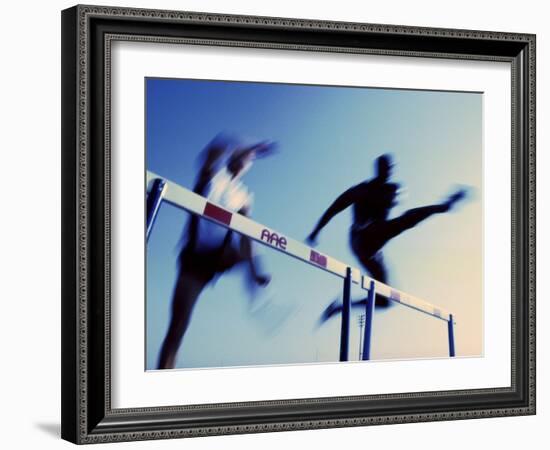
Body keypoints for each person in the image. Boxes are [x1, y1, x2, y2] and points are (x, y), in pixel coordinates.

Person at [157, 135, 276, 369]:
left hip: (221, 256)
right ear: (233, 156)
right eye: (242, 155)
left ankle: (257, 294)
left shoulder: (244, 195)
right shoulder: (214, 175)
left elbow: (246, 234)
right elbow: (216, 146)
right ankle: (163, 377)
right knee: (178, 327)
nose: (245, 161)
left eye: (248, 159)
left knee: (248, 237)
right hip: (194, 259)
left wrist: (256, 270)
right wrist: (250, 146)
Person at [306, 154, 466, 319]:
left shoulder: (392, 189)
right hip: (360, 239)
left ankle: (339, 308)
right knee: (404, 220)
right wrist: (316, 231)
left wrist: (395, 199)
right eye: (386, 169)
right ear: (379, 169)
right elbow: (333, 209)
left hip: (374, 249)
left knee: (386, 300)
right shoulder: (361, 190)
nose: (389, 173)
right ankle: (444, 206)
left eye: (391, 169)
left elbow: (399, 200)